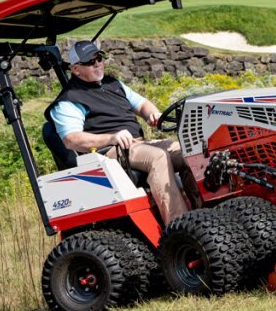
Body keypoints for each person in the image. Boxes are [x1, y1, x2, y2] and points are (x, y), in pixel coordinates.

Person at [51, 40, 191, 225]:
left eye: (99, 58)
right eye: (91, 62)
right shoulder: (68, 100)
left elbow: (142, 104)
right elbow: (71, 140)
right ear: (76, 69)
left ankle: (202, 213)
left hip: (139, 144)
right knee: (157, 157)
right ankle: (180, 227)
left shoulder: (113, 84)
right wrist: (112, 137)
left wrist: (152, 114)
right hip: (109, 151)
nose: (98, 64)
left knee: (188, 150)